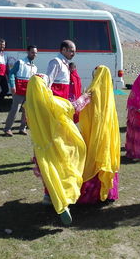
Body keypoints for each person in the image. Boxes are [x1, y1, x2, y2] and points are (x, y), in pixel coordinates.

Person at [26, 74, 90, 225]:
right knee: (63, 171)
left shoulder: (29, 105)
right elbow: (72, 107)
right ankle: (64, 202)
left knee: (49, 172)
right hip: (57, 144)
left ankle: (49, 198)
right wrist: (85, 97)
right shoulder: (52, 102)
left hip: (40, 147)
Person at [77, 66, 120, 204]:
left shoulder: (91, 91)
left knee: (93, 159)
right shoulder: (108, 91)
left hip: (93, 134)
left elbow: (83, 112)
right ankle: (107, 194)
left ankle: (92, 195)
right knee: (105, 158)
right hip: (107, 134)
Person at [3, 45, 38, 137]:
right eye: (32, 52)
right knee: (15, 110)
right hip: (18, 90)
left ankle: (22, 128)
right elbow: (11, 74)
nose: (34, 54)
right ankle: (7, 129)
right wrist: (12, 86)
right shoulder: (20, 62)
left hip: (29, 91)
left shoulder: (34, 67)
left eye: (36, 53)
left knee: (26, 111)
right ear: (28, 52)